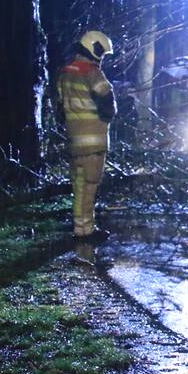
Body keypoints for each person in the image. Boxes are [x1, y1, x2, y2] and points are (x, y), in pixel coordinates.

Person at [57, 30, 116, 241]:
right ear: (95, 48)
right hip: (93, 143)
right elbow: (108, 108)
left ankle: (80, 228)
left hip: (74, 142)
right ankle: (86, 232)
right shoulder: (92, 74)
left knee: (79, 186)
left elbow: (60, 110)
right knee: (89, 187)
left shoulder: (65, 73)